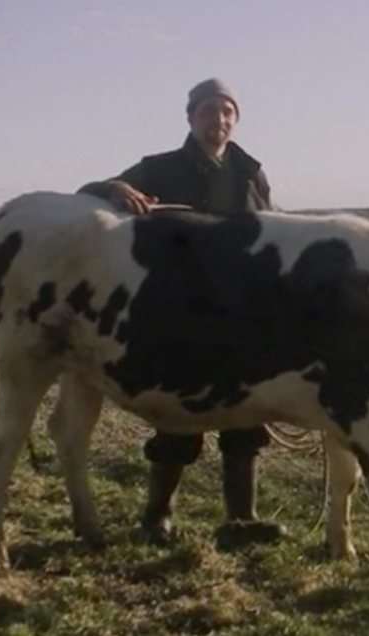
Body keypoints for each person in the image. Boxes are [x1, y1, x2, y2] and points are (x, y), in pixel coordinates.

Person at [78, 78, 286, 548]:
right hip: (177, 313)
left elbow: (269, 229)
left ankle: (241, 522)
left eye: (228, 112)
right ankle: (155, 519)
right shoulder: (160, 168)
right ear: (191, 117)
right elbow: (86, 193)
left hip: (237, 317)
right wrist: (114, 188)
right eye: (210, 111)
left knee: (246, 417)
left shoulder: (251, 172)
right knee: (177, 416)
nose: (220, 120)